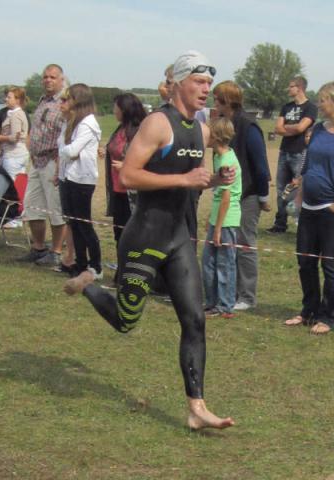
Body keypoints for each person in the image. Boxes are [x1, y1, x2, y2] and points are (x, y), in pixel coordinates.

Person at [63, 51, 235, 429]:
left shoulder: (201, 130)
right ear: (178, 83)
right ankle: (89, 283)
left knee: (195, 321)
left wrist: (212, 180)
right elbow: (128, 176)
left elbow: (189, 180)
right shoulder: (158, 123)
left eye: (209, 83)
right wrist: (184, 179)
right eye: (199, 82)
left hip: (179, 239)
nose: (206, 89)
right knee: (126, 321)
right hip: (144, 237)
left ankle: (196, 408)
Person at [284, 81, 334, 335]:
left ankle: (327, 316)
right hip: (308, 206)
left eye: (322, 100)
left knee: (330, 265)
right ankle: (308, 310)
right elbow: (308, 164)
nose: (319, 105)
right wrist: (300, 195)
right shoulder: (319, 129)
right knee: (305, 261)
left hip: (333, 210)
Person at [212, 80, 271, 311]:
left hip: (248, 194)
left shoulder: (248, 125)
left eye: (217, 98)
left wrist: (263, 196)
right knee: (230, 244)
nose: (214, 102)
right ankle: (231, 291)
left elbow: (260, 165)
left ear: (227, 100)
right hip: (230, 195)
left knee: (245, 244)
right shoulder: (224, 123)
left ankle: (247, 296)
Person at [21, 64, 71, 268]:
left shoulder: (65, 102)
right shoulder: (43, 101)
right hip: (36, 161)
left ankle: (56, 251)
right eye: (45, 77)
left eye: (52, 77)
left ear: (61, 79)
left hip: (52, 160)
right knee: (32, 205)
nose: (48, 80)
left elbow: (67, 134)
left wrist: (59, 164)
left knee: (55, 209)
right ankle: (38, 247)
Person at [57, 84, 103, 279]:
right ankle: (81, 263)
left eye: (66, 99)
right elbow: (63, 147)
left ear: (78, 101)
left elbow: (72, 151)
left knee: (84, 224)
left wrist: (65, 150)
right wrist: (65, 150)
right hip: (67, 177)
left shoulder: (87, 123)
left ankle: (96, 266)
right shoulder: (70, 122)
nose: (62, 103)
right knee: (73, 223)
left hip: (82, 179)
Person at [202, 117, 242, 319]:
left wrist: (218, 228)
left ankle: (225, 306)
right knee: (208, 262)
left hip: (227, 220)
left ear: (216, 136)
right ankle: (211, 302)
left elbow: (226, 197)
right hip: (217, 217)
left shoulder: (227, 161)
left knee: (225, 264)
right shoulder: (218, 156)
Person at [268, 76, 318, 233]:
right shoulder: (286, 107)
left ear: (300, 88)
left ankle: (301, 223)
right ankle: (280, 224)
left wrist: (287, 128)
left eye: (291, 86)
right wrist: (293, 128)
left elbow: (301, 128)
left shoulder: (310, 108)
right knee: (281, 190)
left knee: (298, 189)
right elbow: (278, 128)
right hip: (284, 152)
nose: (288, 89)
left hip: (300, 153)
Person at [105, 93, 147, 259]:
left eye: (116, 107)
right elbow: (115, 148)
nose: (114, 110)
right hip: (117, 189)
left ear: (125, 109)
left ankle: (132, 267)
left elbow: (148, 160)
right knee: (119, 233)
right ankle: (121, 268)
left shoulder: (139, 130)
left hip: (133, 193)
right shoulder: (120, 128)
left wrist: (127, 167)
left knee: (132, 235)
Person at [0, 87, 29, 182]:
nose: (6, 99)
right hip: (19, 154)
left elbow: (14, 138)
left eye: (9, 97)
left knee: (10, 184)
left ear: (17, 100)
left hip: (13, 156)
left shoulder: (15, 115)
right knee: (19, 184)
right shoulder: (20, 113)